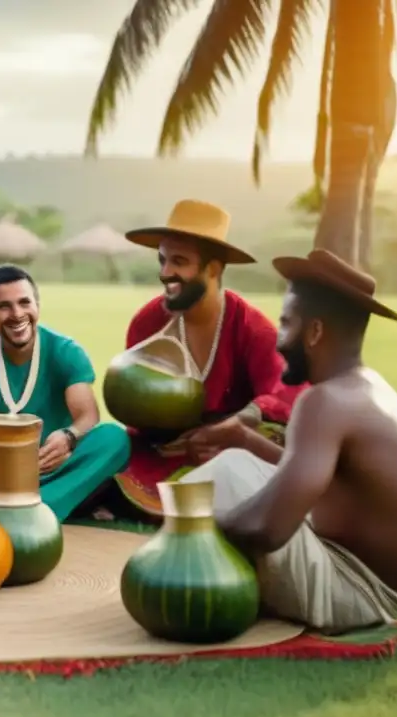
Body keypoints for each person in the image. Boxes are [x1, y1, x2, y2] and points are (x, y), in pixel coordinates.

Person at [178, 249, 397, 633]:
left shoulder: (323, 401)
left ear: (315, 331)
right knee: (236, 463)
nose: (279, 340)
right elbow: (319, 474)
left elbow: (268, 529)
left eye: (286, 324)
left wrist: (192, 529)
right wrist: (245, 439)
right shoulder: (369, 387)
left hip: (358, 596)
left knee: (221, 481)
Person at [117, 199, 306, 516]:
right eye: (162, 260)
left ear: (213, 269)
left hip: (225, 451)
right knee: (109, 446)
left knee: (271, 441)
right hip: (161, 452)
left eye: (179, 261)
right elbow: (133, 399)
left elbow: (285, 392)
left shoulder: (252, 329)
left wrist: (237, 422)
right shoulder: (147, 323)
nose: (165, 273)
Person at [0, 265, 131, 521]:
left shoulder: (65, 350)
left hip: (52, 464)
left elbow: (87, 415)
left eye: (24, 303)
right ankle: (43, 508)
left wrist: (69, 436)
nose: (17, 314)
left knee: (114, 439)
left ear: (37, 306)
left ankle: (20, 506)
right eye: (4, 306)